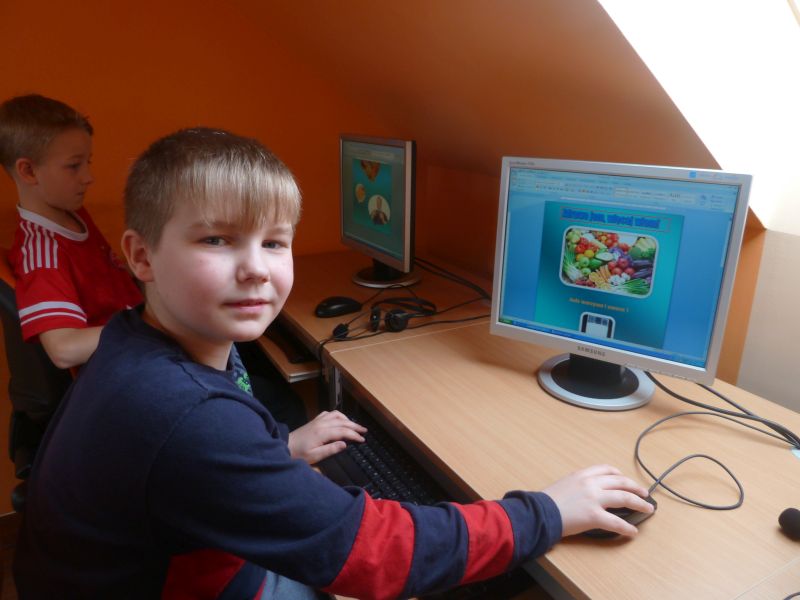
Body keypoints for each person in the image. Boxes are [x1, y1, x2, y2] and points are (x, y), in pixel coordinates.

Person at [14, 127, 653, 599]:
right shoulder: (184, 413)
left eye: (274, 242)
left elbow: (188, 461)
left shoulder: (134, 339)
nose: (255, 268)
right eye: (216, 239)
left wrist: (278, 451)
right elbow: (377, 555)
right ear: (141, 256)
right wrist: (547, 510)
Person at [0, 94, 142, 369]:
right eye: (74, 166)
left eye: (88, 162)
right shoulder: (43, 256)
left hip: (136, 342)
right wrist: (152, 329)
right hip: (117, 370)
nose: (88, 177)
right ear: (28, 171)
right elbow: (63, 349)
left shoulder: (74, 214)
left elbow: (101, 283)